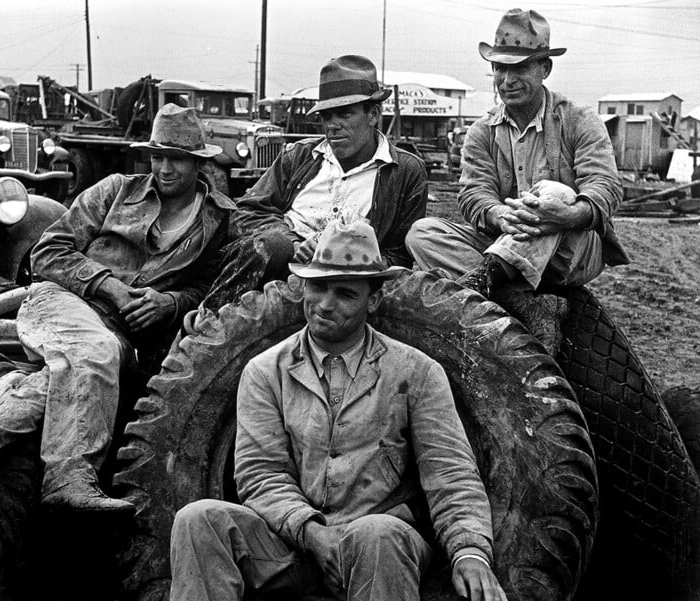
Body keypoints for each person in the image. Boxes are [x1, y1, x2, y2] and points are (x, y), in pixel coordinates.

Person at [0, 104, 236, 513]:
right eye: (158, 156)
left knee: (58, 377)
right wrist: (110, 287)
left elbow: (205, 287)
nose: (165, 168)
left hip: (120, 332)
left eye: (176, 158)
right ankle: (69, 478)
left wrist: (169, 303)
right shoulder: (116, 190)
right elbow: (48, 251)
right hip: (63, 301)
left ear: (198, 162)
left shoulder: (217, 219)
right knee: (94, 354)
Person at [169, 218, 507, 601]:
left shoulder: (417, 371)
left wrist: (469, 551)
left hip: (378, 547)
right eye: (316, 287)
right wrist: (311, 533)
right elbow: (261, 474)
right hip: (290, 544)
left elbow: (450, 472)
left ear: (373, 300)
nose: (325, 306)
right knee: (198, 520)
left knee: (377, 533)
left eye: (345, 293)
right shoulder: (265, 371)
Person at [405, 8, 629, 354]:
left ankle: (488, 279)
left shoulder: (578, 119)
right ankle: (522, 300)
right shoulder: (481, 131)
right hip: (504, 238)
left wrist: (568, 214)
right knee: (421, 233)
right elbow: (474, 194)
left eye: (520, 68)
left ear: (545, 69)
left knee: (553, 192)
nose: (507, 81)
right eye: (500, 68)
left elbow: (605, 185)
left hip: (569, 249)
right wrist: (498, 216)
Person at [197, 54, 428, 316]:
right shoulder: (298, 157)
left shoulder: (405, 171)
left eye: (344, 114)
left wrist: (340, 254)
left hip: (346, 286)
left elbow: (398, 256)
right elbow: (247, 213)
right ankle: (207, 322)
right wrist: (292, 244)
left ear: (373, 114)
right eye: (326, 116)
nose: (332, 125)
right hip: (279, 273)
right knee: (270, 245)